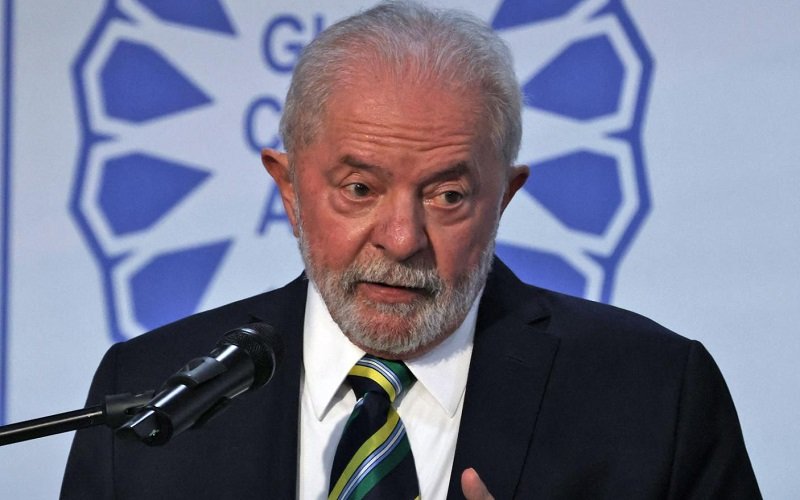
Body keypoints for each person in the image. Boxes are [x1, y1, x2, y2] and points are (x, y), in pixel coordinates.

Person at [61, 1, 760, 498]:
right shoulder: (152, 395)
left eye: (448, 195)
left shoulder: (655, 396)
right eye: (359, 188)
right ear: (289, 189)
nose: (401, 240)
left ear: (504, 198)